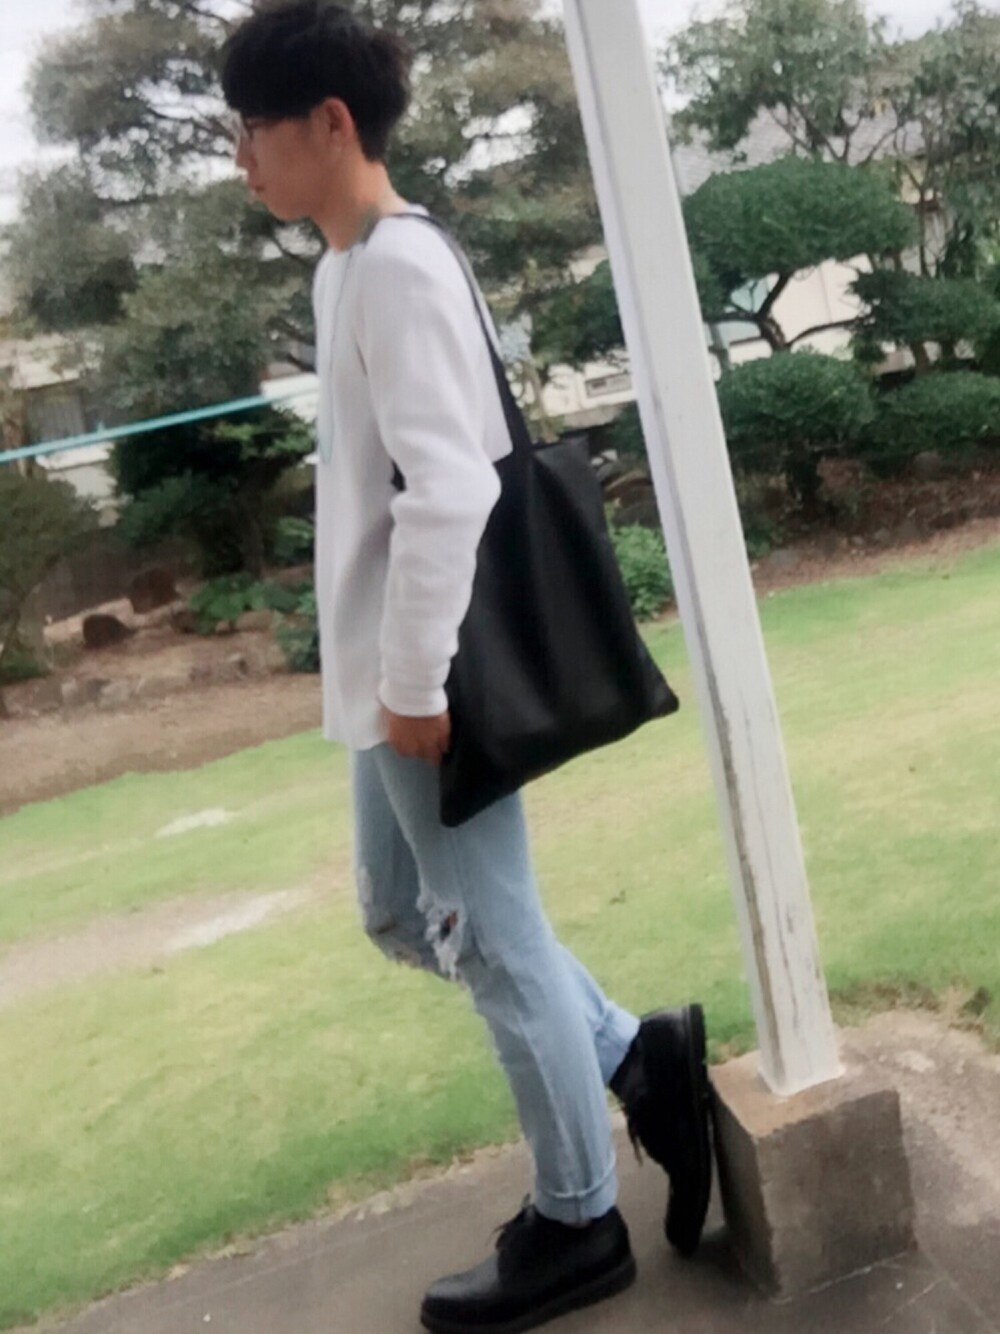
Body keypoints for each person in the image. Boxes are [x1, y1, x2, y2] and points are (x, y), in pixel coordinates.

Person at [220, 4, 712, 1330]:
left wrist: (417, 687)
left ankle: (579, 1217)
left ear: (331, 123)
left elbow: (450, 490)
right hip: (381, 681)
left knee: (490, 940)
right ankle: (635, 1054)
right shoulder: (346, 270)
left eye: (253, 129)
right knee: (401, 912)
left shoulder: (398, 268)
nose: (241, 159)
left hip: (420, 681)